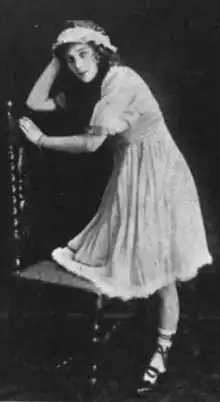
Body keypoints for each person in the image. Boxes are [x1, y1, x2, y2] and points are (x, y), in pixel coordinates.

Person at [19, 20, 212, 396]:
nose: (77, 65)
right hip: (130, 174)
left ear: (101, 53)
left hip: (157, 176)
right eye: (70, 59)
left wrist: (42, 140)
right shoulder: (93, 88)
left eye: (83, 55)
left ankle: (162, 349)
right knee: (135, 263)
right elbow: (35, 102)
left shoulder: (120, 82)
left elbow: (91, 146)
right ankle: (145, 338)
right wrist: (59, 57)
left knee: (162, 269)